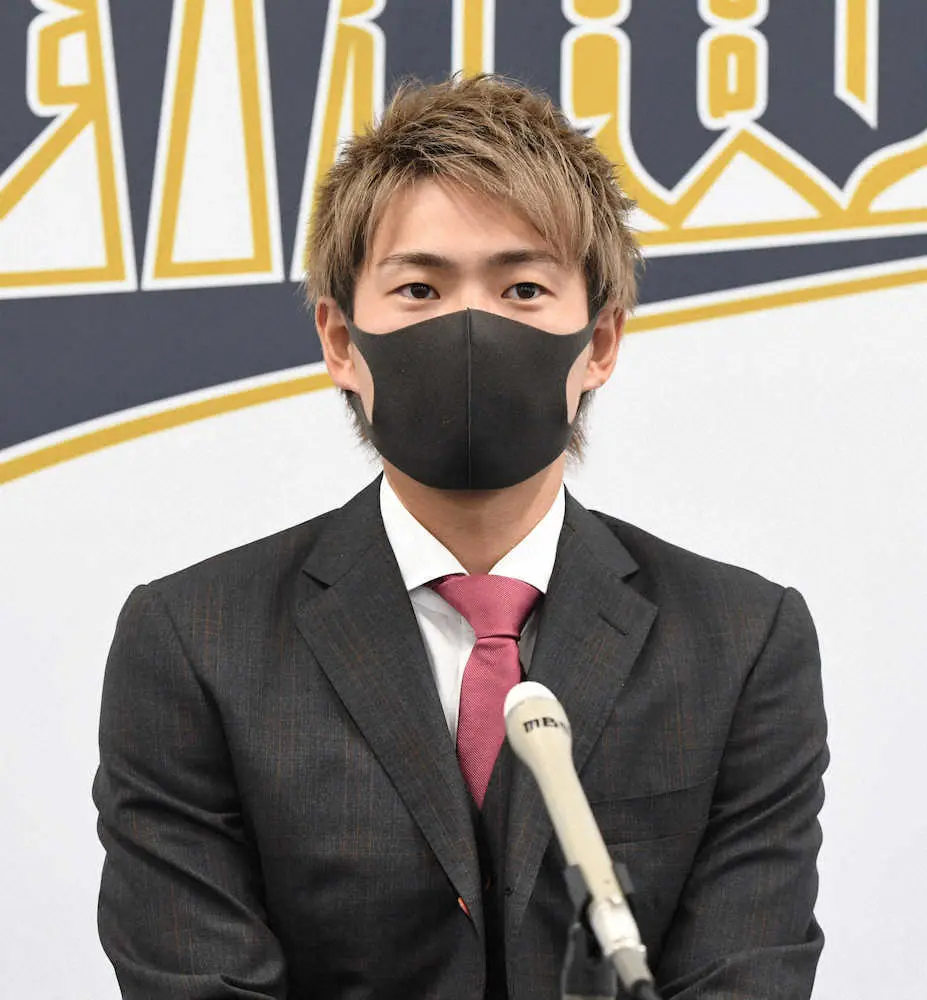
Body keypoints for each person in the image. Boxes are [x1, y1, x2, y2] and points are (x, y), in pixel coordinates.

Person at [94, 74, 828, 999]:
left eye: (523, 287)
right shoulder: (195, 642)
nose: (470, 328)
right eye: (418, 288)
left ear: (600, 342)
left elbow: (744, 972)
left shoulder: (739, 640)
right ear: (339, 340)